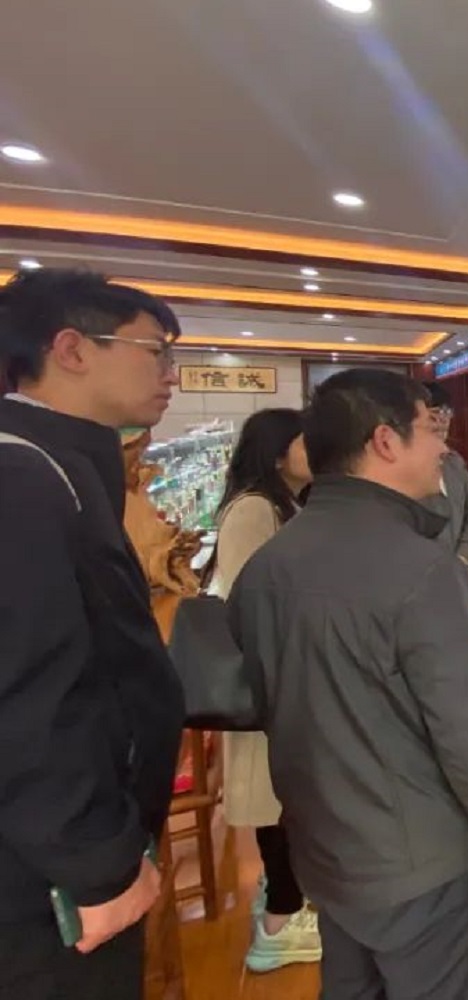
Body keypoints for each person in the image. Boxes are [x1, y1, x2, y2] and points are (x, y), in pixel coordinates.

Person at [228, 368, 468, 1000]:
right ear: (385, 441)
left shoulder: (268, 566)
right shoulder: (422, 571)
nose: (444, 447)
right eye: (431, 429)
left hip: (325, 851)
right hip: (424, 866)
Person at [0, 268, 187, 999]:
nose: (171, 375)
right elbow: (30, 695)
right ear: (71, 349)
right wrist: (98, 866)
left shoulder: (62, 463)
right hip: (43, 884)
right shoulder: (21, 476)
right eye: (155, 351)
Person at [201, 408, 320, 973]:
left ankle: (284, 900)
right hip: (268, 680)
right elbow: (251, 601)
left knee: (287, 799)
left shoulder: (286, 503)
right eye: (304, 442)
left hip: (284, 674)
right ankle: (279, 922)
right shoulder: (254, 508)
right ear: (276, 454)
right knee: (276, 801)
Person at [422, 380, 468, 568]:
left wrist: (465, 555)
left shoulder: (454, 462)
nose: (442, 421)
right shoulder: (401, 469)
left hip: (459, 573)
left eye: (447, 413)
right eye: (434, 414)